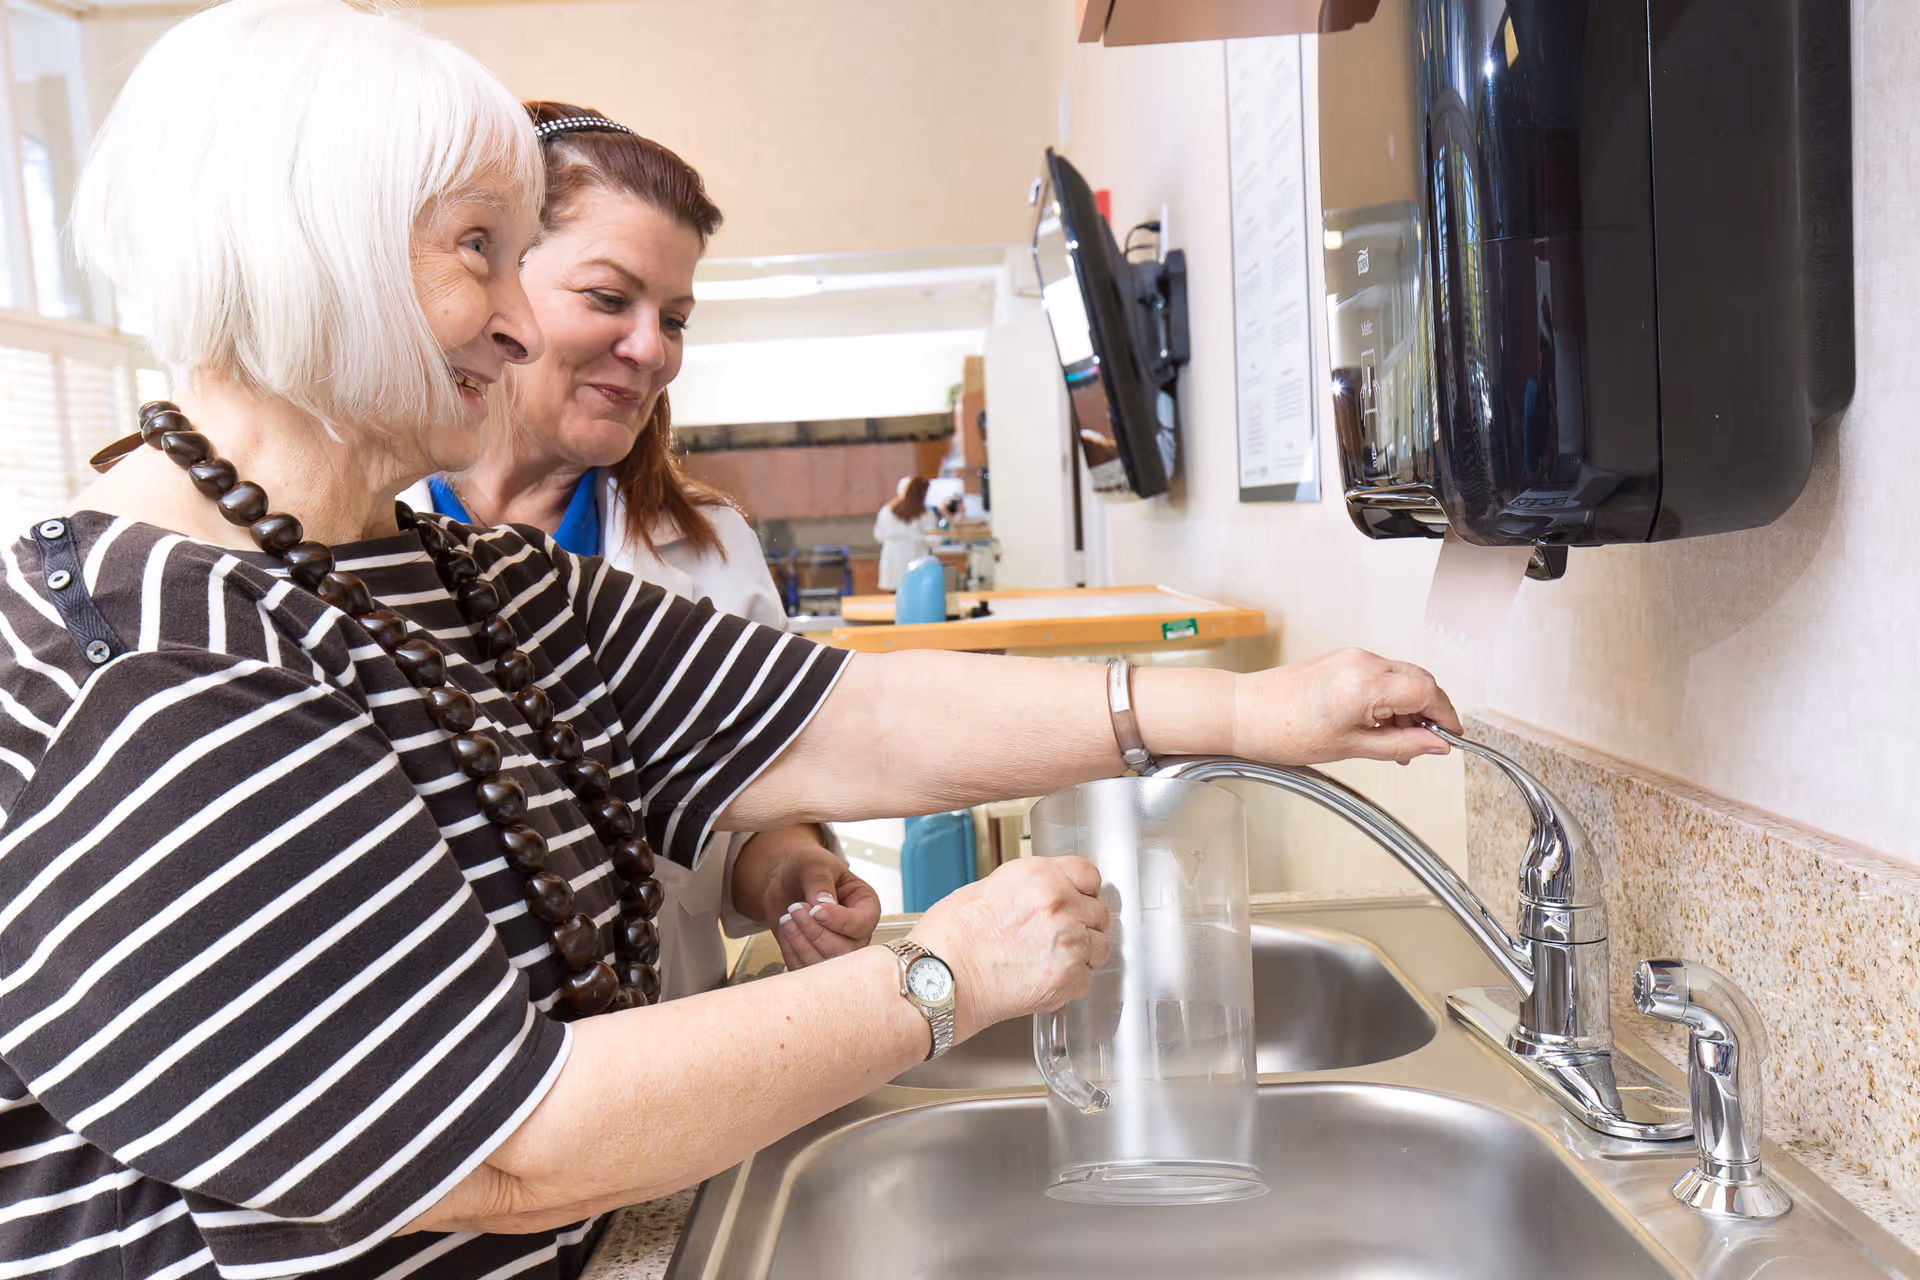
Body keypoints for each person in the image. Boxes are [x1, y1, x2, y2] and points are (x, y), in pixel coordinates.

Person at [0, 2, 1459, 1276]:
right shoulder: (153, 669)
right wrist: (937, 978)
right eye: (475, 252)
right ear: (303, 247)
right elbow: (503, 1147)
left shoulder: (436, 572)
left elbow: (841, 719)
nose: (521, 323)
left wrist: (1261, 712)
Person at [402, 106, 874, 998]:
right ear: (493, 280)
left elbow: (748, 813)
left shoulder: (706, 550)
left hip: (667, 1069)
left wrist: (792, 878)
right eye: (610, 298)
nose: (652, 349)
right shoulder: (347, 533)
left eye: (676, 317)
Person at [874, 475, 934, 591]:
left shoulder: (886, 511)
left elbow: (879, 536)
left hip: (891, 560)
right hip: (916, 559)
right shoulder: (925, 513)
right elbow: (933, 540)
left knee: (897, 598)